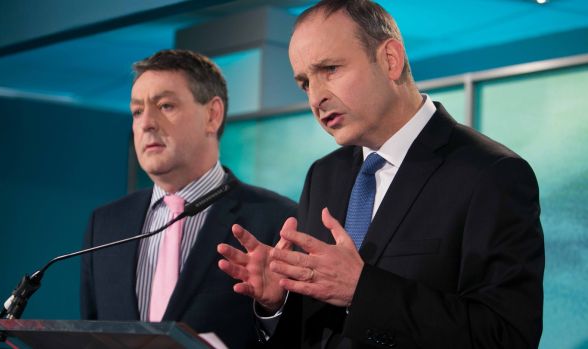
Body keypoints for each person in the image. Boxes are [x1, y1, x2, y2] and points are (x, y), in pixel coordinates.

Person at [217, 0, 545, 348]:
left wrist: (363, 290)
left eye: (329, 69)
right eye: (304, 84)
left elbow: (506, 336)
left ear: (390, 59)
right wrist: (278, 303)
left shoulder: (491, 174)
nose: (316, 98)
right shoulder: (323, 175)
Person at [80, 49, 296, 348]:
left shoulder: (276, 220)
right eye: (137, 111)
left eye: (165, 105)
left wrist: (272, 308)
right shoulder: (105, 224)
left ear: (212, 115)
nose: (146, 124)